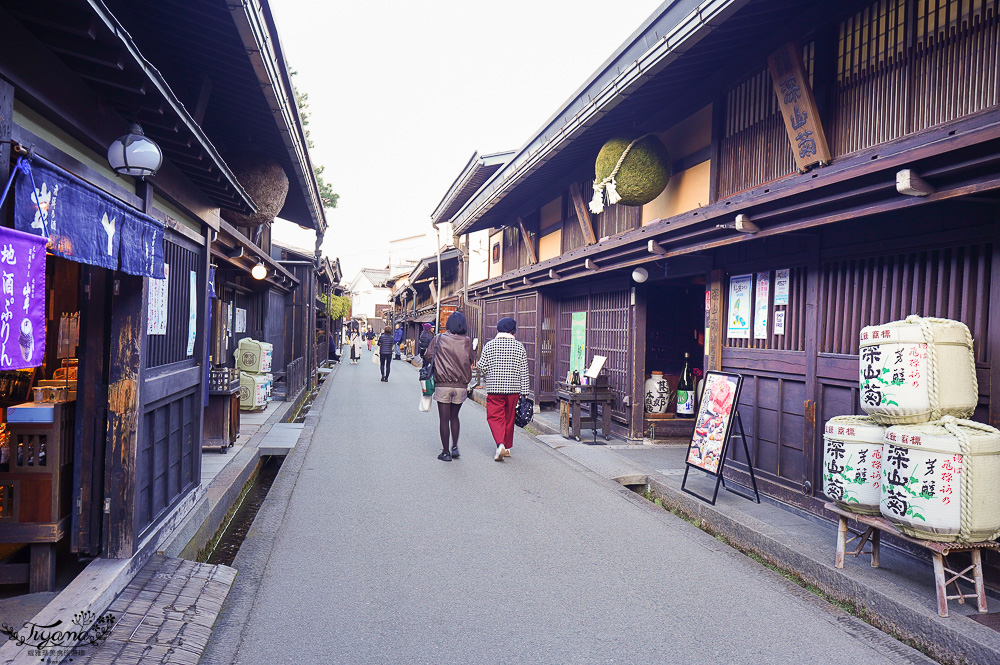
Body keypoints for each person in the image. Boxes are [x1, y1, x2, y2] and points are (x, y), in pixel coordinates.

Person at [476, 317, 529, 462]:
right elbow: (523, 371)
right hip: (513, 389)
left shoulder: (490, 345)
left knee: (495, 417)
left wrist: (490, 372)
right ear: (513, 331)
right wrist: (525, 392)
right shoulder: (519, 347)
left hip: (494, 388)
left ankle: (500, 444)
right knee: (509, 417)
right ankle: (507, 447)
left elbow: (481, 366)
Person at [423, 311, 473, 462]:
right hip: (460, 385)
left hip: (443, 384)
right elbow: (471, 359)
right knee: (454, 417)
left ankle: (445, 452)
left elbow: (428, 355)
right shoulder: (467, 341)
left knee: (444, 419)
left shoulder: (439, 338)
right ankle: (455, 446)